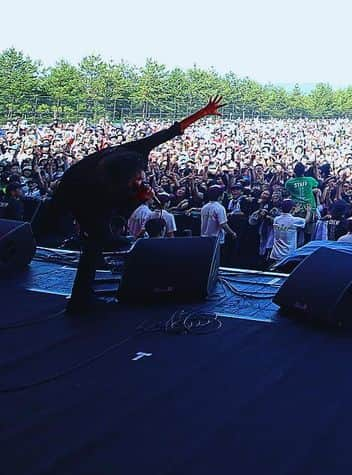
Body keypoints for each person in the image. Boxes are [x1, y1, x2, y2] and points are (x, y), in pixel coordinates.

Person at [30, 97, 224, 313]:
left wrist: (203, 112)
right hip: (77, 192)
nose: (140, 179)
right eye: (135, 180)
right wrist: (138, 198)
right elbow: (117, 211)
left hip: (78, 182)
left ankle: (83, 291)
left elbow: (172, 130)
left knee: (98, 240)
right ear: (124, 179)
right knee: (96, 241)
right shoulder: (106, 187)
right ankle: (81, 298)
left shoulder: (138, 149)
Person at [269, 199, 307, 265]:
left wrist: (293, 212)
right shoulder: (294, 220)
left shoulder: (276, 219)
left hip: (276, 253)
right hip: (288, 254)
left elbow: (286, 220)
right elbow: (306, 221)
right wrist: (308, 211)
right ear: (293, 208)